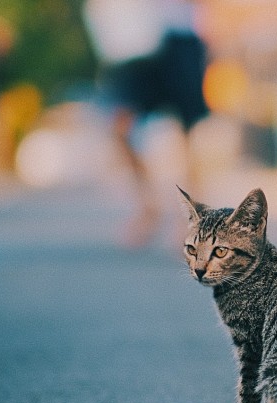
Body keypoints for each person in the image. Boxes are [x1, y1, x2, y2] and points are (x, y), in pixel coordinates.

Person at [83, 0, 209, 248]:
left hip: (177, 32)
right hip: (128, 40)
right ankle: (148, 207)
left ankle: (194, 219)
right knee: (118, 127)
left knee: (187, 131)